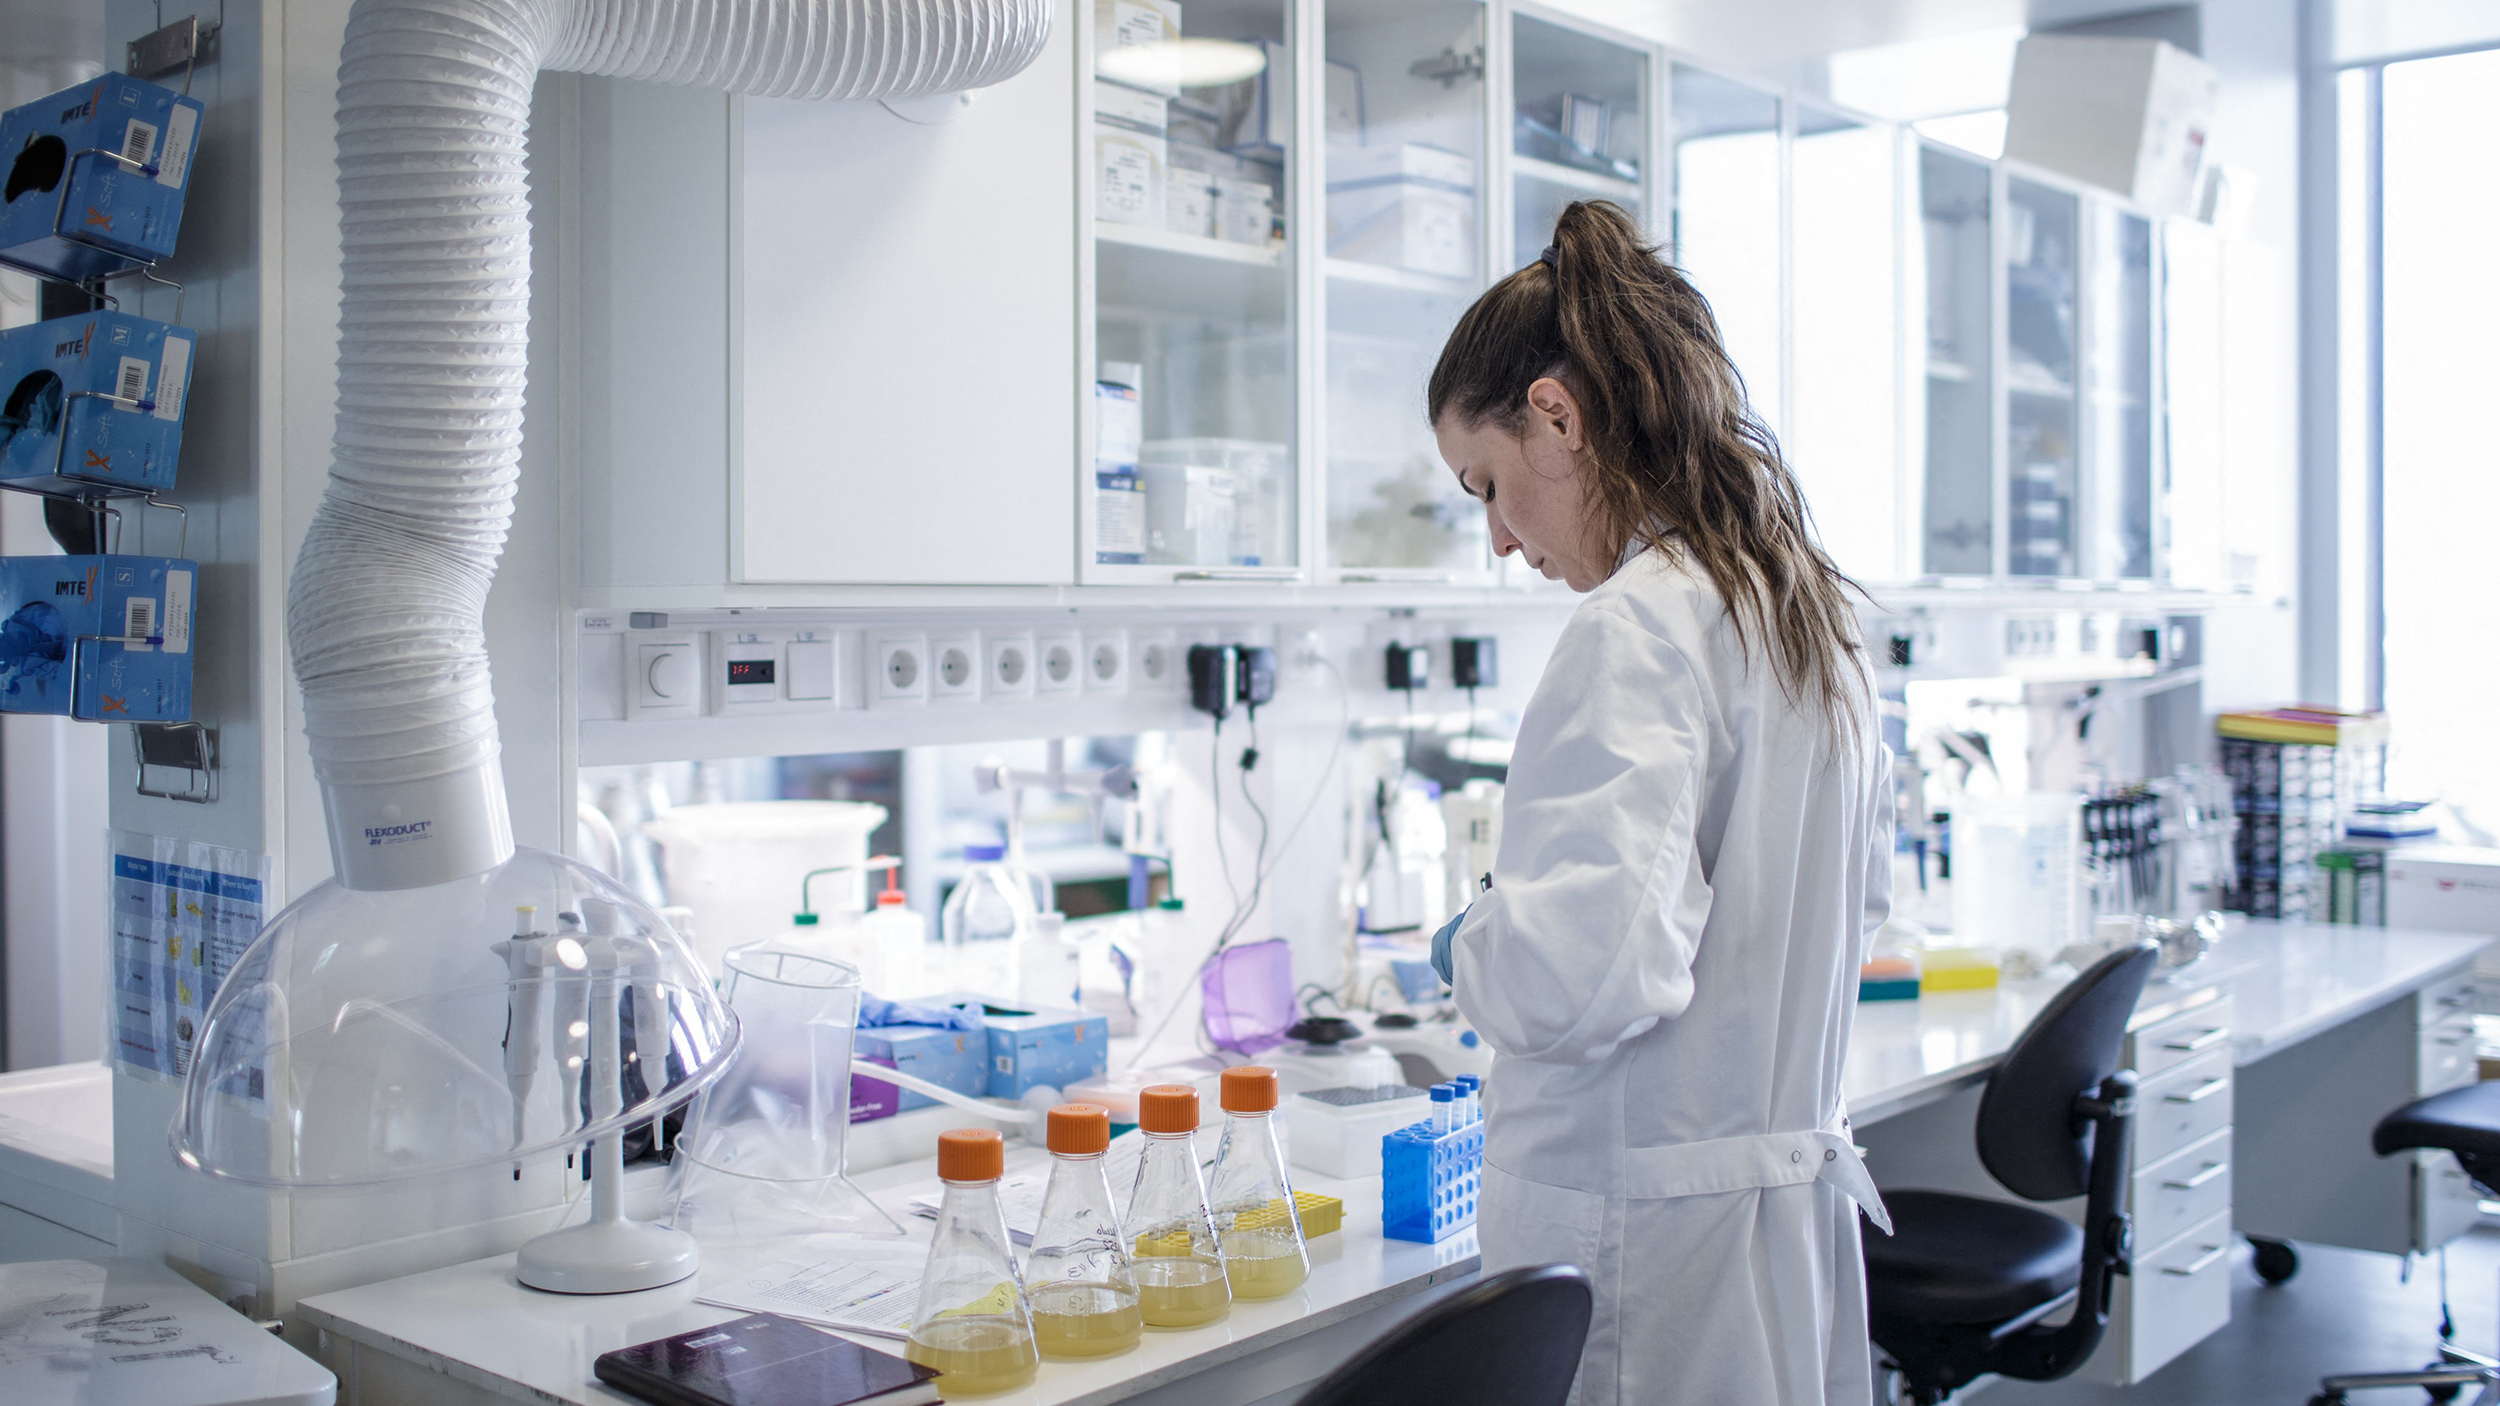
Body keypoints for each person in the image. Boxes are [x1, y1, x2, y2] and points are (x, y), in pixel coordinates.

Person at [1426, 200, 1894, 1405]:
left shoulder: (1637, 624)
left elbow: (1580, 977)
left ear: (1555, 413)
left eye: (1485, 482)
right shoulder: (1801, 609)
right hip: (1760, 1223)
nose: (1495, 536)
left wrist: (1471, 938)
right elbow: (1861, 896)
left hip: (1650, 1245)